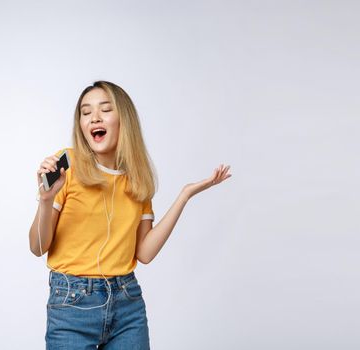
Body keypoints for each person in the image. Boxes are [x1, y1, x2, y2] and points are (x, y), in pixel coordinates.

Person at [29, 81, 231, 349]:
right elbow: (38, 247)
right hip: (72, 303)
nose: (94, 118)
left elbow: (144, 253)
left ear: (124, 119)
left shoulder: (137, 179)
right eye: (86, 112)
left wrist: (185, 195)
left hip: (127, 303)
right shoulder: (68, 164)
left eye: (105, 109)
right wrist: (46, 200)